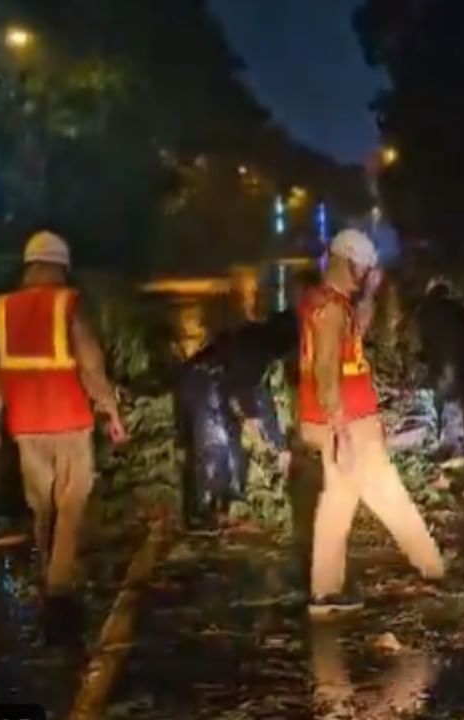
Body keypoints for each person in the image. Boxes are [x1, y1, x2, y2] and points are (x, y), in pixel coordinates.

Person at [0, 231, 128, 644]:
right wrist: (112, 411)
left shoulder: (0, 310)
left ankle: (47, 568)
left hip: (26, 426)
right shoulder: (69, 304)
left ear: (29, 266)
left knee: (42, 506)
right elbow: (90, 366)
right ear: (61, 267)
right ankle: (59, 594)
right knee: (72, 504)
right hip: (69, 420)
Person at [298, 229, 444, 617]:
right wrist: (341, 428)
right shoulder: (330, 310)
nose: (366, 275)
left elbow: (355, 333)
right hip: (348, 421)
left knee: (340, 504)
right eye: (363, 269)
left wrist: (370, 294)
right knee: (388, 496)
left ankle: (325, 592)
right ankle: (432, 568)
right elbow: (327, 369)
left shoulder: (333, 303)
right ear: (348, 262)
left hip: (349, 419)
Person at [175, 311, 297, 531]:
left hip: (211, 383)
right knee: (214, 449)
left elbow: (260, 395)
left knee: (232, 447)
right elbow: (247, 393)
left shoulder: (259, 342)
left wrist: (279, 444)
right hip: (202, 383)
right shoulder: (259, 348)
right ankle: (205, 513)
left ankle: (223, 507)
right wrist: (262, 431)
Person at [415, 278, 464, 460]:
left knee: (443, 402)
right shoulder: (459, 308)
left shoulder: (425, 310)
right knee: (458, 403)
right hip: (463, 364)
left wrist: (423, 361)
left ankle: (446, 446)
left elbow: (424, 341)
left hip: (442, 365)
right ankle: (458, 442)